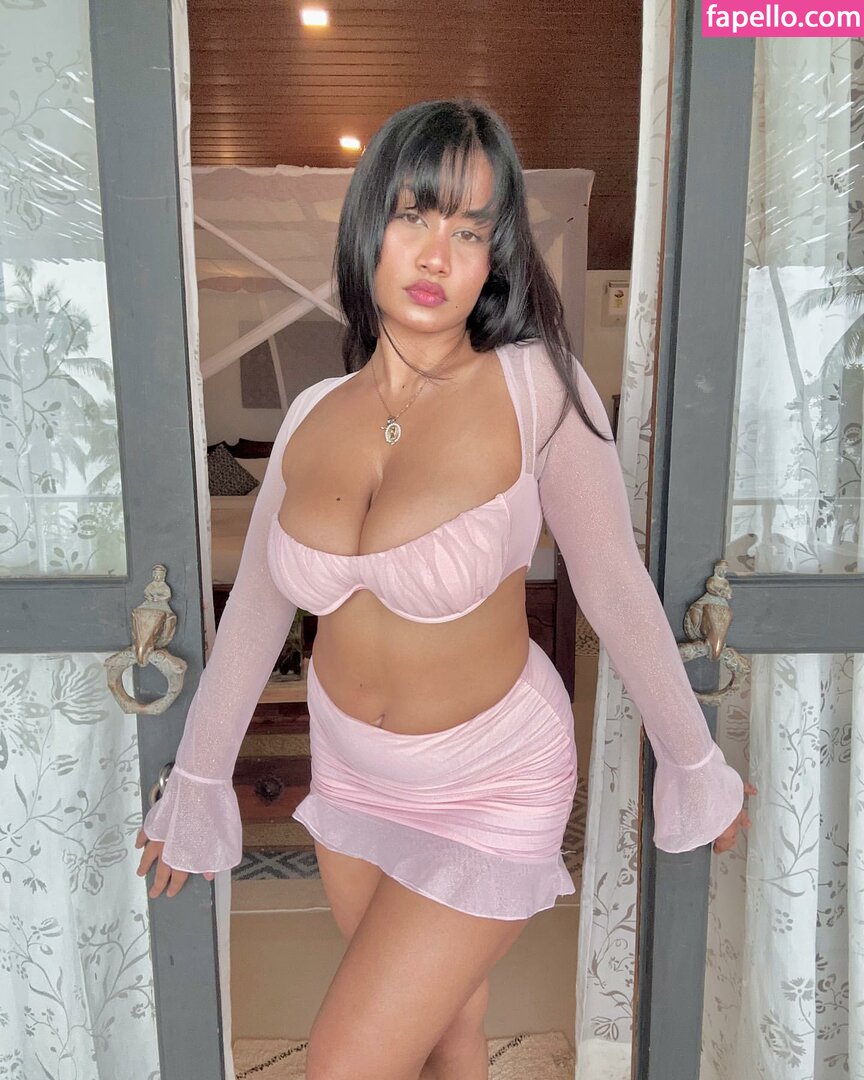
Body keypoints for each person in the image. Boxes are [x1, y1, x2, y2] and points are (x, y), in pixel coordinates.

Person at [136, 99, 753, 1079]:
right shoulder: (310, 414)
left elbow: (613, 585)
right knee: (446, 1034)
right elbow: (253, 614)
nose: (437, 254)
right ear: (368, 227)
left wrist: (694, 763)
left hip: (490, 781)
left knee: (346, 1061)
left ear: (495, 255)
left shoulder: (539, 390)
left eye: (470, 230)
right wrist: (200, 784)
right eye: (415, 215)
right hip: (353, 774)